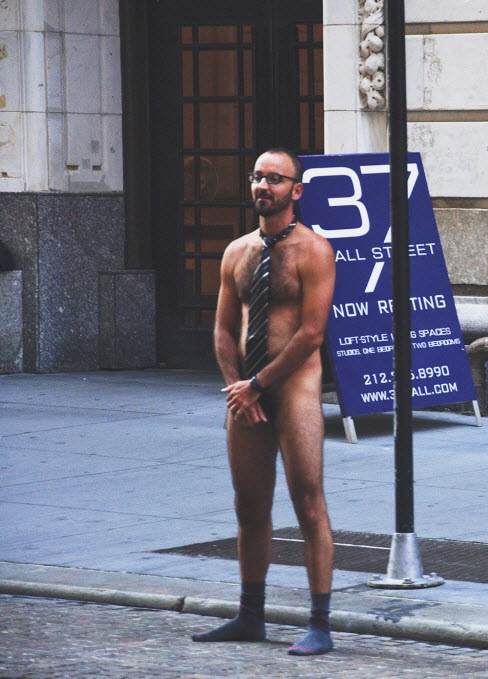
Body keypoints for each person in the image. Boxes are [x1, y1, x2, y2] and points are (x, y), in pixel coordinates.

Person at [191, 148, 337, 656]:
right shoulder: (237, 251)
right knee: (249, 506)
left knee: (309, 503)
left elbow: (312, 333)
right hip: (247, 397)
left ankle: (319, 624)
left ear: (296, 190)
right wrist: (239, 389)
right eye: (257, 177)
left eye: (274, 178)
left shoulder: (314, 250)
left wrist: (259, 384)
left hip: (295, 392)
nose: (262, 186)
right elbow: (222, 330)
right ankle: (250, 616)